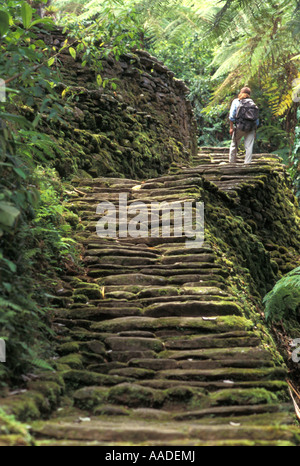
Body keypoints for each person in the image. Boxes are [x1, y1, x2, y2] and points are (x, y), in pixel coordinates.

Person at [228, 87, 259, 164]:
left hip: (240, 127)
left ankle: (231, 163)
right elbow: (256, 120)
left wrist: (231, 128)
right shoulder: (253, 104)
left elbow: (232, 116)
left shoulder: (236, 101)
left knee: (234, 144)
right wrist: (254, 131)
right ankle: (247, 164)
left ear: (241, 93)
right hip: (251, 128)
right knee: (249, 146)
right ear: (249, 94)